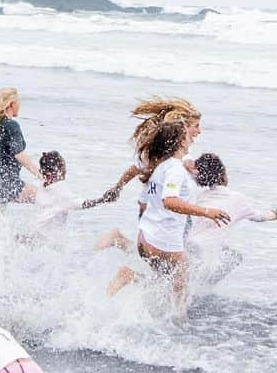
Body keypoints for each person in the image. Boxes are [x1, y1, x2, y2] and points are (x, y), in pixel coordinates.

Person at [105, 121, 229, 306]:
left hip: (146, 236)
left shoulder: (161, 166)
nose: (191, 139)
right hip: (164, 240)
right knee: (180, 288)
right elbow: (169, 201)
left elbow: (145, 201)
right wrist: (207, 212)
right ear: (180, 142)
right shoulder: (174, 170)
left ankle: (131, 280)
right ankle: (178, 324)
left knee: (167, 282)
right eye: (187, 135)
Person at [185, 152, 277, 283]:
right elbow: (260, 216)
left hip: (189, 243)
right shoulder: (238, 199)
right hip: (206, 250)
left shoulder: (202, 195)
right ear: (222, 175)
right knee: (235, 257)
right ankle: (206, 287)